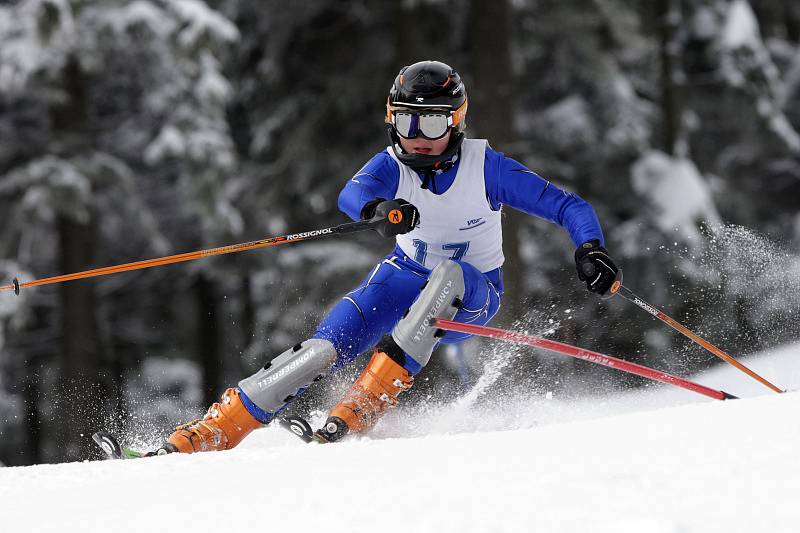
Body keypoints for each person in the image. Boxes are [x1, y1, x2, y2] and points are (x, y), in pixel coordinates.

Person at [159, 60, 619, 453]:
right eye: (406, 122)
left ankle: (363, 404)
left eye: (434, 123)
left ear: (457, 121)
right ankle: (214, 431)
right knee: (322, 349)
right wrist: (379, 209)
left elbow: (567, 206)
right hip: (400, 281)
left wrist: (590, 248)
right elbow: (353, 193)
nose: (419, 137)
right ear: (391, 120)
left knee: (449, 274)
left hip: (472, 296)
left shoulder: (487, 167)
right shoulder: (391, 165)